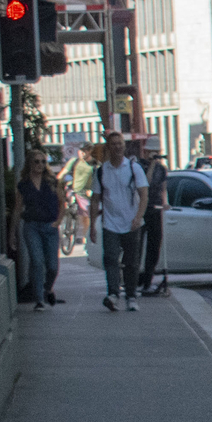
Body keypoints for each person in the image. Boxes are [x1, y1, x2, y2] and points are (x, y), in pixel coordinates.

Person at [93, 132, 151, 311]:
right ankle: (113, 294)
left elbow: (144, 195)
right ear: (108, 148)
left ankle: (131, 296)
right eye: (113, 144)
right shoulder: (102, 171)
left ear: (124, 146)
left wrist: (138, 217)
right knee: (110, 258)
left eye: (120, 144)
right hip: (110, 222)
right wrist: (92, 225)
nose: (117, 147)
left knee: (131, 262)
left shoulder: (134, 168)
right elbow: (95, 198)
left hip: (131, 222)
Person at [14, 153, 63, 308]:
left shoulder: (52, 182)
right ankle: (39, 299)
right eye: (36, 161)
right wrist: (12, 234)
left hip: (50, 226)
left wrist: (58, 221)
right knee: (36, 260)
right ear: (29, 163)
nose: (40, 165)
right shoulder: (24, 185)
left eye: (43, 162)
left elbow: (63, 203)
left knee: (52, 266)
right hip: (32, 226)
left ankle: (48, 289)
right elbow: (17, 209)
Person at [136, 136, 171, 296]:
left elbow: (163, 188)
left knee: (154, 245)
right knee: (138, 246)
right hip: (143, 208)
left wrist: (165, 202)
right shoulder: (140, 165)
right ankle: (134, 279)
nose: (155, 154)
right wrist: (150, 165)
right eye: (152, 151)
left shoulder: (162, 169)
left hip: (156, 209)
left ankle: (148, 280)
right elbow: (146, 182)